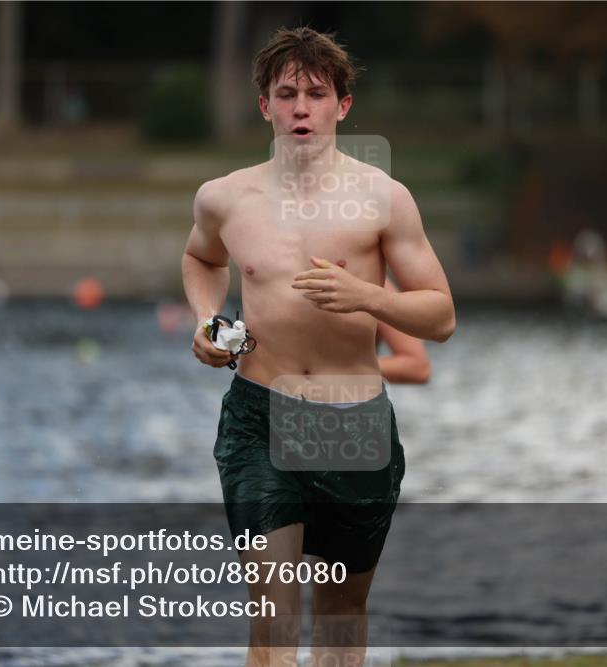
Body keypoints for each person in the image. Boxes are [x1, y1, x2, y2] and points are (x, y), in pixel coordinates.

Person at [181, 27, 454, 666]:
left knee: (339, 613)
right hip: (259, 416)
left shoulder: (384, 199)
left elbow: (439, 317)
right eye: (286, 94)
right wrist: (206, 321)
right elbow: (200, 258)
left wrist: (368, 296)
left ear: (343, 106)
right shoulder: (224, 197)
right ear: (265, 107)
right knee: (272, 619)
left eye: (315, 94)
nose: (301, 107)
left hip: (352, 423)